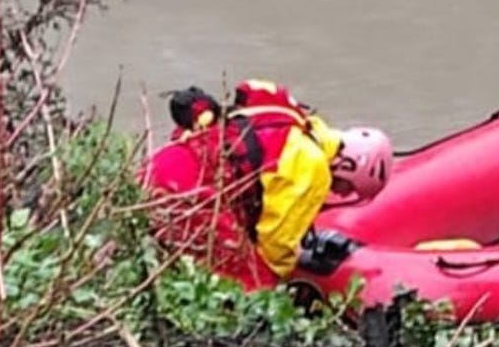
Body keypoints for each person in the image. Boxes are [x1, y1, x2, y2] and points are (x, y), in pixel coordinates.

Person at [153, 79, 391, 283]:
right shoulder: (311, 162)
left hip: (158, 170)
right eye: (346, 186)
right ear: (348, 165)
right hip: (189, 195)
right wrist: (289, 276)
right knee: (256, 286)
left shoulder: (288, 123)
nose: (337, 191)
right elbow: (275, 248)